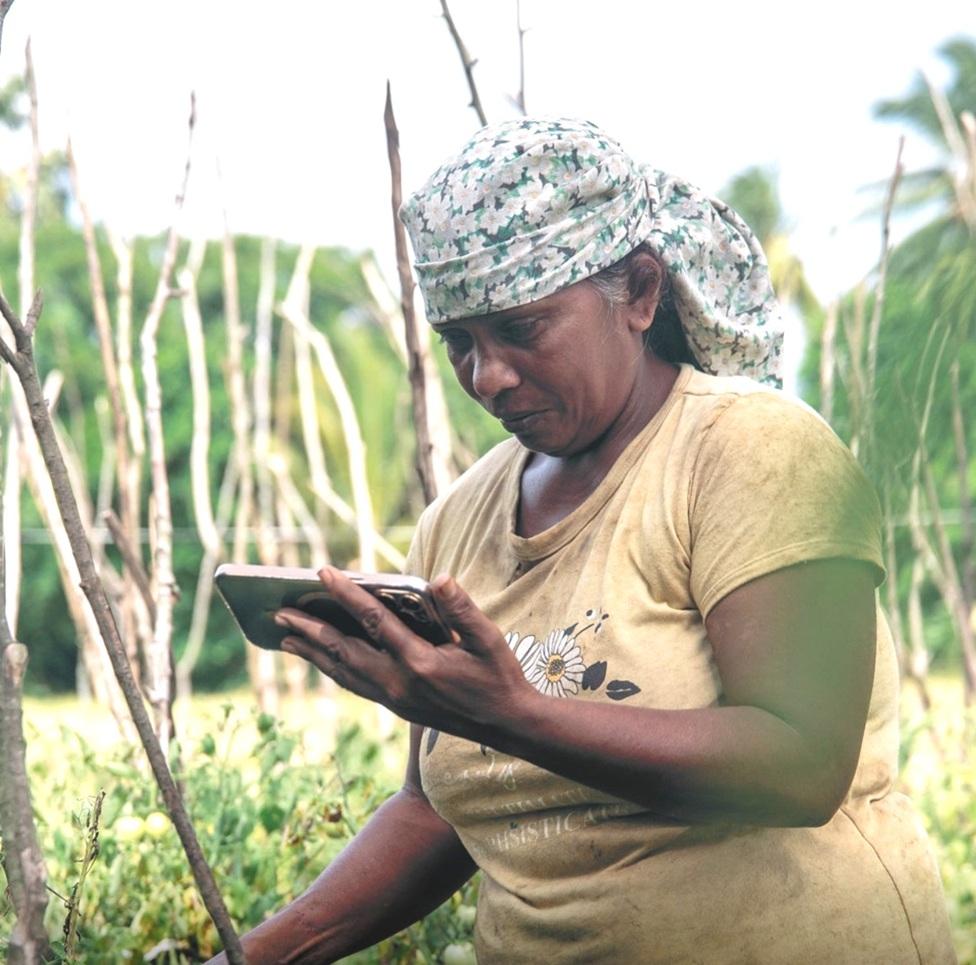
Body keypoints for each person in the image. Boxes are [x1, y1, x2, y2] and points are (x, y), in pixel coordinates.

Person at [207, 117, 955, 964]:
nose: (486, 376)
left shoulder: (752, 452)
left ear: (639, 293)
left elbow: (801, 763)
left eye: (521, 330)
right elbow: (439, 807)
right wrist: (252, 957)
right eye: (460, 342)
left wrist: (511, 712)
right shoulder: (458, 520)